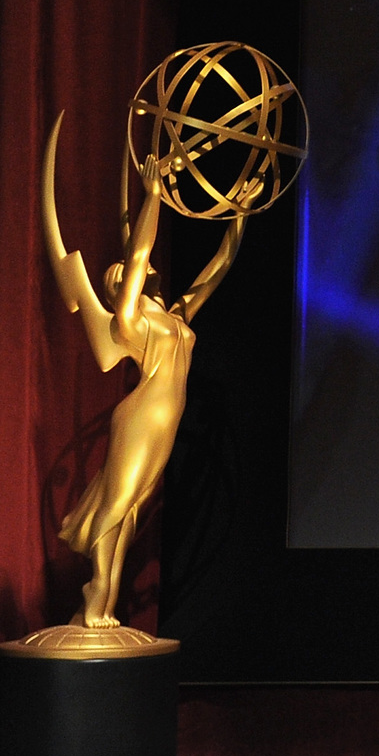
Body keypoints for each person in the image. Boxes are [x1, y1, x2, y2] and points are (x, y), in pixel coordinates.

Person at [44, 119, 250, 629]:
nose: (127, 273)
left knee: (133, 509)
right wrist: (152, 195)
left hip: (164, 423)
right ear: (117, 293)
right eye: (117, 279)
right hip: (139, 419)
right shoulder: (129, 322)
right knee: (117, 503)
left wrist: (240, 216)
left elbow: (218, 268)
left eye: (126, 275)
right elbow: (137, 252)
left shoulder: (176, 316)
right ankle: (96, 590)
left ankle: (104, 600)